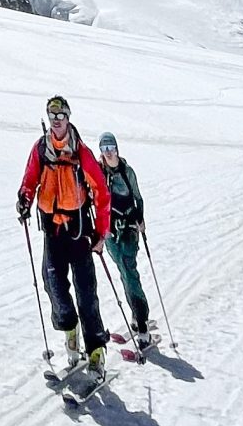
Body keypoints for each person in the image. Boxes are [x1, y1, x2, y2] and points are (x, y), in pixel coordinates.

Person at [17, 94, 111, 372]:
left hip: (79, 230)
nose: (56, 121)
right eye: (52, 116)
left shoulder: (81, 152)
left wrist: (101, 232)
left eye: (61, 116)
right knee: (53, 284)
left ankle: (96, 351)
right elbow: (30, 180)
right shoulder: (40, 149)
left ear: (68, 118)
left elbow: (101, 192)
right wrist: (24, 198)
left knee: (86, 291)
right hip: (52, 229)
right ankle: (70, 328)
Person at [96, 132, 152, 341]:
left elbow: (138, 198)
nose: (108, 152)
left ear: (117, 149)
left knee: (129, 272)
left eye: (111, 148)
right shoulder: (99, 174)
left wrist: (140, 218)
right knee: (123, 271)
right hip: (110, 233)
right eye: (104, 149)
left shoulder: (127, 172)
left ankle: (142, 320)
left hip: (128, 229)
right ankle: (136, 315)